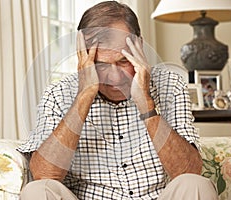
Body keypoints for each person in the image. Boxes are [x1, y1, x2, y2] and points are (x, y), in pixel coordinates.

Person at [18, 1, 218, 199]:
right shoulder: (58, 93)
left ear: (139, 46)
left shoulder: (170, 85)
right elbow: (43, 175)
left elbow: (189, 170)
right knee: (37, 191)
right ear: (82, 57)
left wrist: (146, 104)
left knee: (195, 184)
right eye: (101, 65)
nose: (115, 78)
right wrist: (84, 96)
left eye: (123, 61)